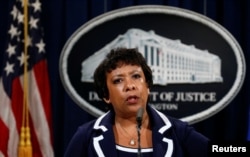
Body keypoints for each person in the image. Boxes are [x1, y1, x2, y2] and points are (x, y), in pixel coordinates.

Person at [64, 47, 210, 157]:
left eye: (136, 76)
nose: (130, 85)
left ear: (147, 87)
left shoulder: (178, 132)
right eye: (118, 80)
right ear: (106, 95)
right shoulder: (86, 136)